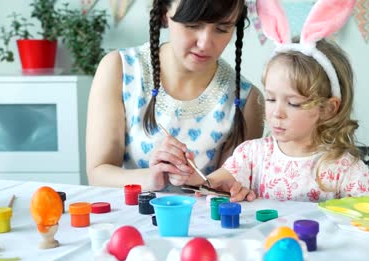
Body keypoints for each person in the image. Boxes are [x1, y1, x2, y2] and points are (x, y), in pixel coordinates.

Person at [174, 0, 369, 202]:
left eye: (293, 103)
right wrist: (195, 178)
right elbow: (216, 184)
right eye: (270, 99)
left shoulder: (349, 171)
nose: (276, 113)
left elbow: (366, 227)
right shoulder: (250, 155)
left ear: (328, 109)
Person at [86, 0, 265, 191]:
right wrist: (151, 178)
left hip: (203, 220)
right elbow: (98, 174)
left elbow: (227, 193)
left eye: (222, 29)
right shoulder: (120, 69)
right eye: (192, 25)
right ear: (164, 13)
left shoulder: (246, 100)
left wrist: (202, 181)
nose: (204, 43)